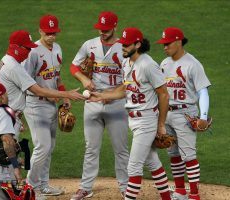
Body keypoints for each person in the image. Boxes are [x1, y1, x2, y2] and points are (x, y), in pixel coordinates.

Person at [89, 27, 172, 200]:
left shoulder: (148, 65)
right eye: (122, 44)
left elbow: (163, 94)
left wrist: (161, 125)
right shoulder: (127, 62)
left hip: (147, 120)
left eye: (126, 45)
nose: (123, 48)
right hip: (134, 120)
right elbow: (126, 88)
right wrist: (103, 95)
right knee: (152, 162)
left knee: (133, 167)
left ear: (138, 44)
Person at [69, 11, 130, 200]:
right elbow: (74, 67)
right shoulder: (90, 45)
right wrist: (83, 79)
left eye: (106, 29)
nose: (103, 32)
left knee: (120, 148)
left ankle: (126, 187)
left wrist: (111, 95)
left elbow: (129, 79)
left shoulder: (123, 49)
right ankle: (85, 187)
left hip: (117, 104)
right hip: (93, 102)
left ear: (115, 27)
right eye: (100, 29)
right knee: (91, 147)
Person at [0, 30, 85, 139]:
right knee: (12, 153)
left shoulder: (6, 60)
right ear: (16, 48)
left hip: (9, 116)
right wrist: (67, 94)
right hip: (10, 117)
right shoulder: (14, 67)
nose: (29, 52)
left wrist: (18, 119)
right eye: (27, 48)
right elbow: (37, 90)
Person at [157, 27, 211, 200]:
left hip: (186, 114)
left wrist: (203, 117)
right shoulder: (164, 64)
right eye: (163, 44)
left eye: (168, 44)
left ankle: (194, 195)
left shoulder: (192, 64)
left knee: (188, 155)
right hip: (167, 113)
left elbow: (203, 91)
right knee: (173, 153)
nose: (164, 47)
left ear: (179, 42)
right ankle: (180, 191)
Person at [22, 14, 68, 196]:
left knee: (50, 147)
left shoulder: (57, 48)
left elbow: (57, 76)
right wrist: (48, 95)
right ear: (40, 31)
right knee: (43, 146)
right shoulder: (32, 52)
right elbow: (25, 82)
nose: (51, 36)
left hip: (52, 104)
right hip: (34, 104)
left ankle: (43, 185)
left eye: (54, 33)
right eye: (48, 33)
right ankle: (29, 188)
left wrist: (64, 96)